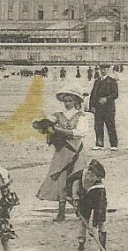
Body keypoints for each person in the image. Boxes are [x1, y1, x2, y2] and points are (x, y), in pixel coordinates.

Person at [35, 88, 90, 222]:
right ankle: (61, 212)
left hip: (76, 150)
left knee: (77, 180)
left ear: (76, 101)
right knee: (60, 180)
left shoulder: (81, 116)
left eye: (70, 101)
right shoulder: (58, 115)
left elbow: (80, 132)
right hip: (62, 151)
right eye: (65, 101)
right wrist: (44, 124)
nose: (67, 103)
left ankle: (79, 210)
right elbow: (48, 122)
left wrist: (57, 130)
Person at [68, 159, 108, 251]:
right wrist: (75, 200)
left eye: (95, 177)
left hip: (98, 201)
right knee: (83, 222)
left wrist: (94, 226)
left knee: (102, 223)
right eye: (90, 175)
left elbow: (99, 209)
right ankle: (81, 247)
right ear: (89, 172)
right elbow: (73, 191)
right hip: (83, 199)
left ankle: (103, 249)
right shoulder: (78, 177)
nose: (90, 179)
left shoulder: (100, 189)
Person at [88, 63, 119, 151]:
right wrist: (92, 106)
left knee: (110, 125)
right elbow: (93, 94)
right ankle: (99, 144)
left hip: (109, 108)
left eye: (104, 69)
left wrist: (106, 98)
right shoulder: (97, 81)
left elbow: (115, 94)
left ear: (108, 70)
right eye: (101, 69)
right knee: (98, 126)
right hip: (98, 108)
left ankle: (114, 145)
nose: (102, 71)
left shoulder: (112, 81)